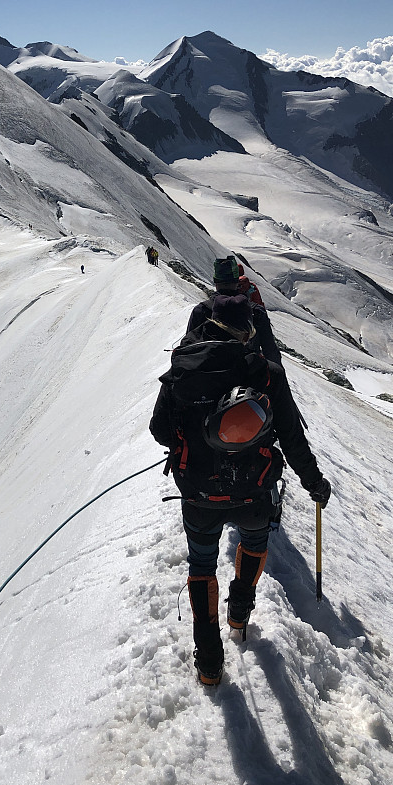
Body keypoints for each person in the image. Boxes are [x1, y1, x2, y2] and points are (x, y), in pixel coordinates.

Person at [150, 293, 331, 686]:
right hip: (254, 491)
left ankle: (210, 662)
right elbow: (292, 439)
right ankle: (239, 615)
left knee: (201, 566)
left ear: (211, 323)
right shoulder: (266, 373)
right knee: (253, 545)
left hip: (199, 495)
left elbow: (159, 430)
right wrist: (314, 482)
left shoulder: (183, 368)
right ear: (248, 329)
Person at [186, 256, 281, 365]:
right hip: (247, 374)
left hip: (209, 374)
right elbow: (270, 350)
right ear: (237, 282)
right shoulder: (256, 311)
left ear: (215, 282)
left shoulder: (201, 310)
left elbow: (189, 347)